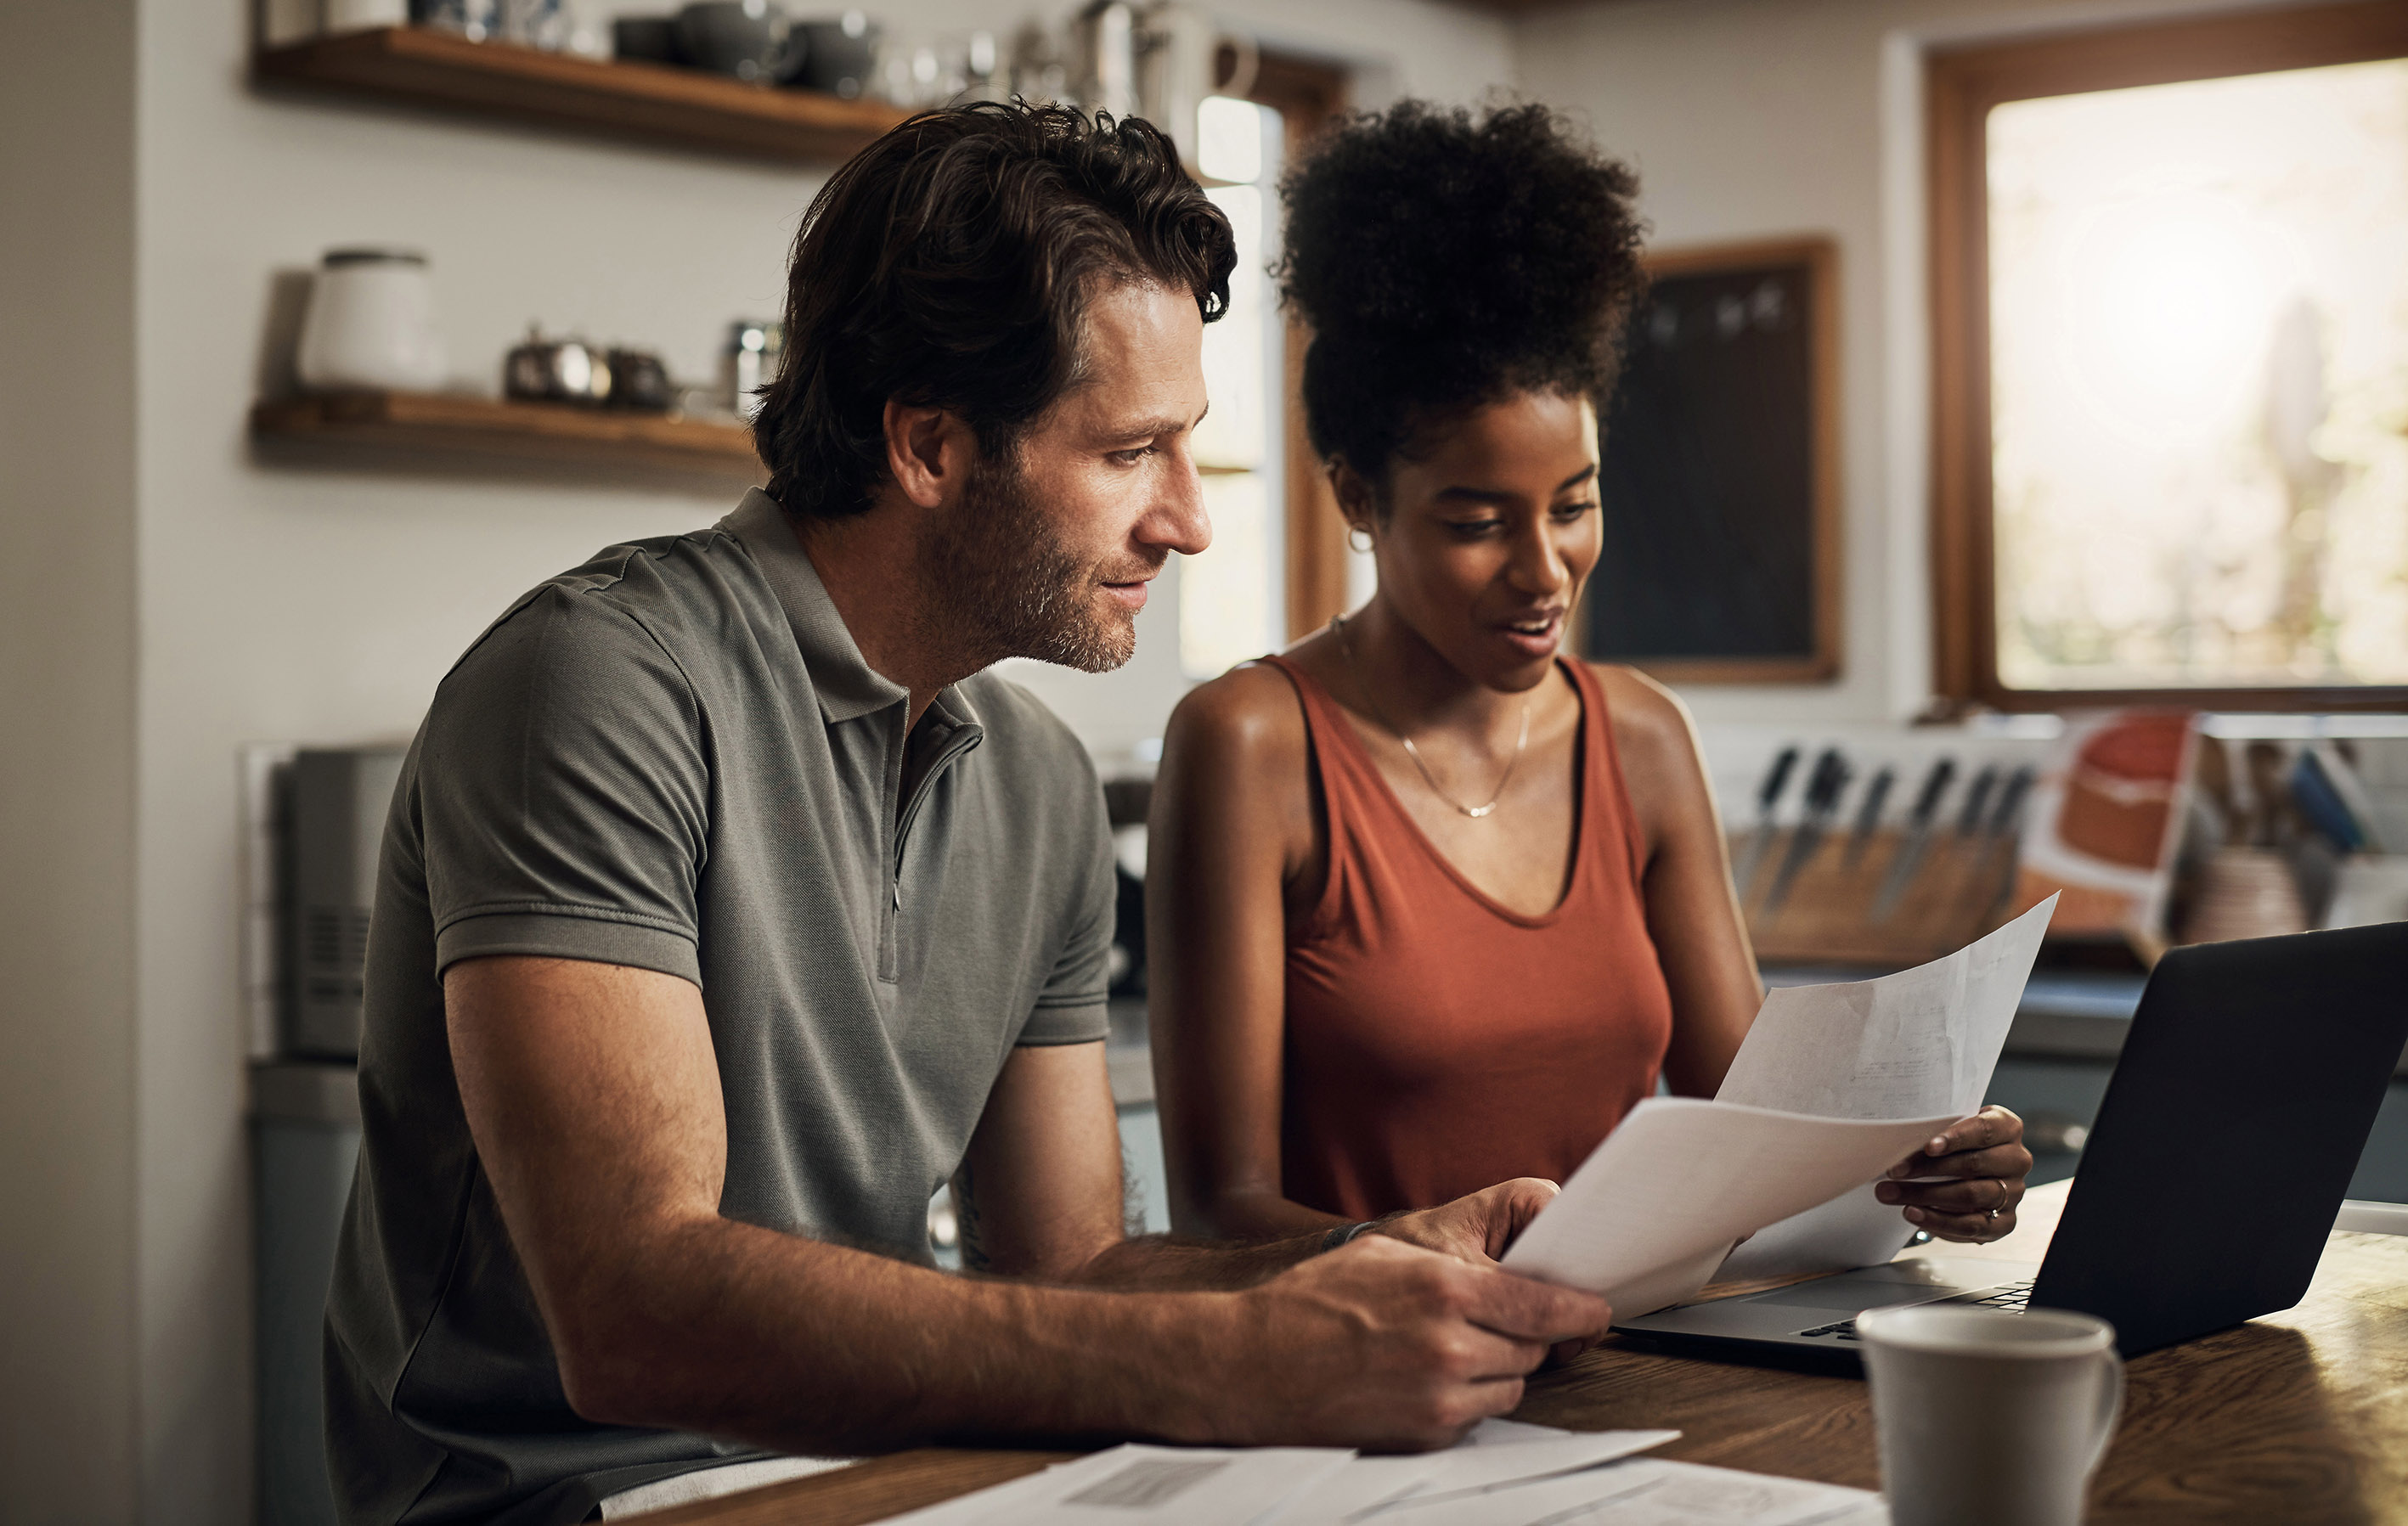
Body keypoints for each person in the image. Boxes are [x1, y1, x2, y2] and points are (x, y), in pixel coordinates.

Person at [323, 103, 1614, 1526]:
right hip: (573, 1503)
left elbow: (1069, 1271)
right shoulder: (596, 684)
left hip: (892, 1484)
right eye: (1129, 454)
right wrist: (1234, 1358)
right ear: (930, 445)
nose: (1186, 519)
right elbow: (636, 1311)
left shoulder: (1040, 783)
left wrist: (1374, 1260)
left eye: (1187, 449)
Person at [1148, 103, 2031, 1258]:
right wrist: (1443, 1259)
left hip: (1643, 1373)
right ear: (1358, 496)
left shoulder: (1642, 737)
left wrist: (1924, 1164)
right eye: (1475, 521)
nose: (1543, 569)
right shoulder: (1252, 745)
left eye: (1575, 504)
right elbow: (1220, 1214)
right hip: (1375, 1396)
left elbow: (1760, 1134)